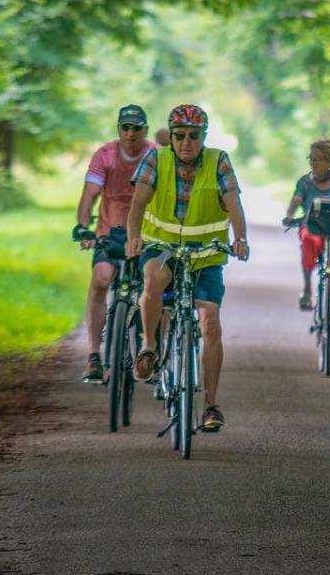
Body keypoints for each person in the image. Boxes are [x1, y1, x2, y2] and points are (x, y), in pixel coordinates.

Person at [125, 104, 250, 432]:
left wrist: (241, 239)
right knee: (153, 278)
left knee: (210, 325)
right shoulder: (156, 159)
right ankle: (149, 346)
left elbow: (234, 201)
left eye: (194, 136)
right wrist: (133, 238)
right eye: (179, 136)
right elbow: (138, 201)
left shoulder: (218, 160)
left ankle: (210, 404)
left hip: (205, 256)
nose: (186, 142)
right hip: (162, 246)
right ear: (172, 137)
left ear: (203, 137)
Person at [74, 104, 157, 382]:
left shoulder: (156, 154)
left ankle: (152, 351)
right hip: (109, 233)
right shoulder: (105, 155)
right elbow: (90, 195)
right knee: (101, 278)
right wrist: (83, 227)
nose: (130, 133)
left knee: (156, 286)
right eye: (125, 127)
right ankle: (94, 356)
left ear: (145, 130)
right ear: (118, 129)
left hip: (147, 236)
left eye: (136, 128)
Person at [281, 139, 330, 312]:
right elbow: (296, 200)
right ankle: (307, 289)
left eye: (316, 159)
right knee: (308, 239)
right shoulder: (305, 182)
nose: (312, 163)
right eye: (311, 159)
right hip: (314, 227)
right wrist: (289, 216)